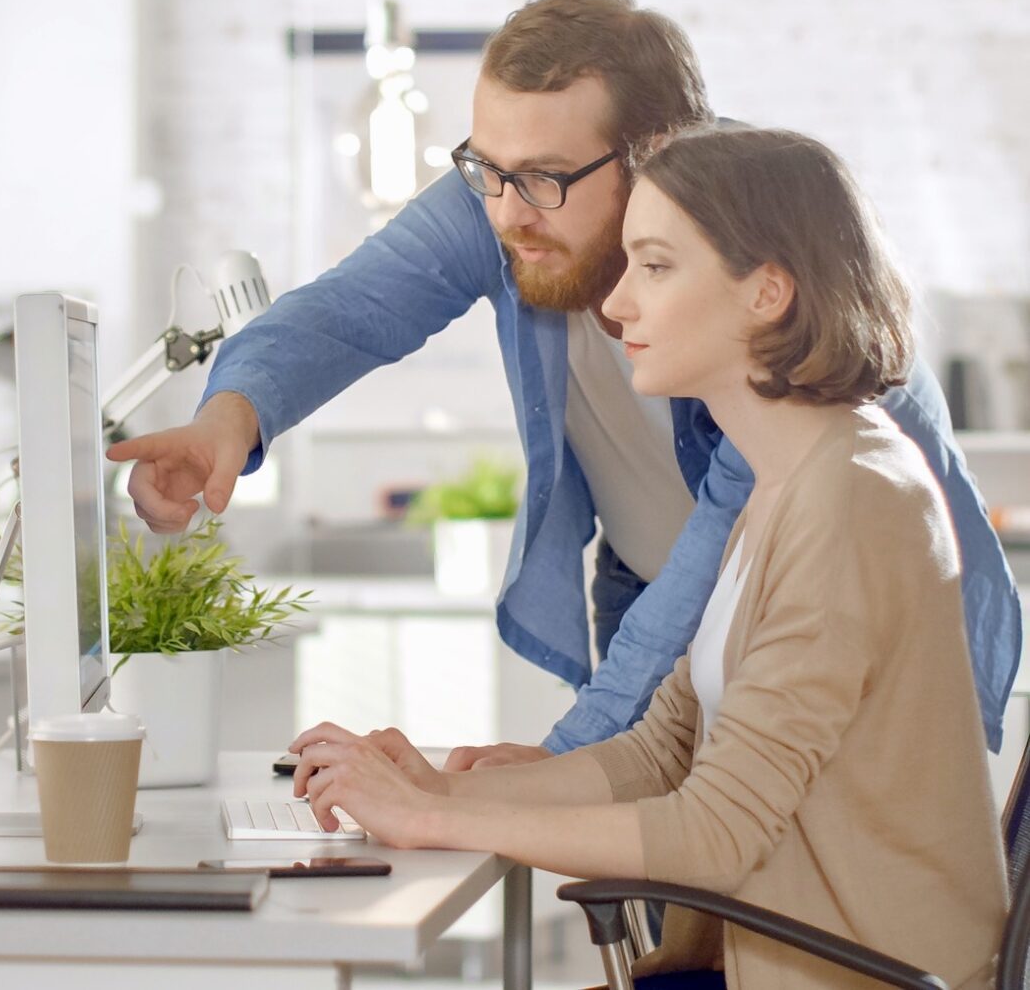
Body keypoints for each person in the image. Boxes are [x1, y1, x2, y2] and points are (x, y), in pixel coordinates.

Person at [106, 0, 1020, 766]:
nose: (507, 213)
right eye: (487, 170)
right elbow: (350, 308)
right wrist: (232, 414)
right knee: (671, 935)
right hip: (657, 589)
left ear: (659, 151)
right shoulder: (509, 199)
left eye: (544, 178)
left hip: (855, 634)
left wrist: (565, 761)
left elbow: (717, 553)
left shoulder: (764, 266)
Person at [289, 127, 1007, 990]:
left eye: (656, 267)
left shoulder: (850, 497)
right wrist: (440, 795)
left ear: (767, 292)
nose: (616, 304)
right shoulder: (787, 477)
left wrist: (426, 819)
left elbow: (713, 834)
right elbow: (660, 751)